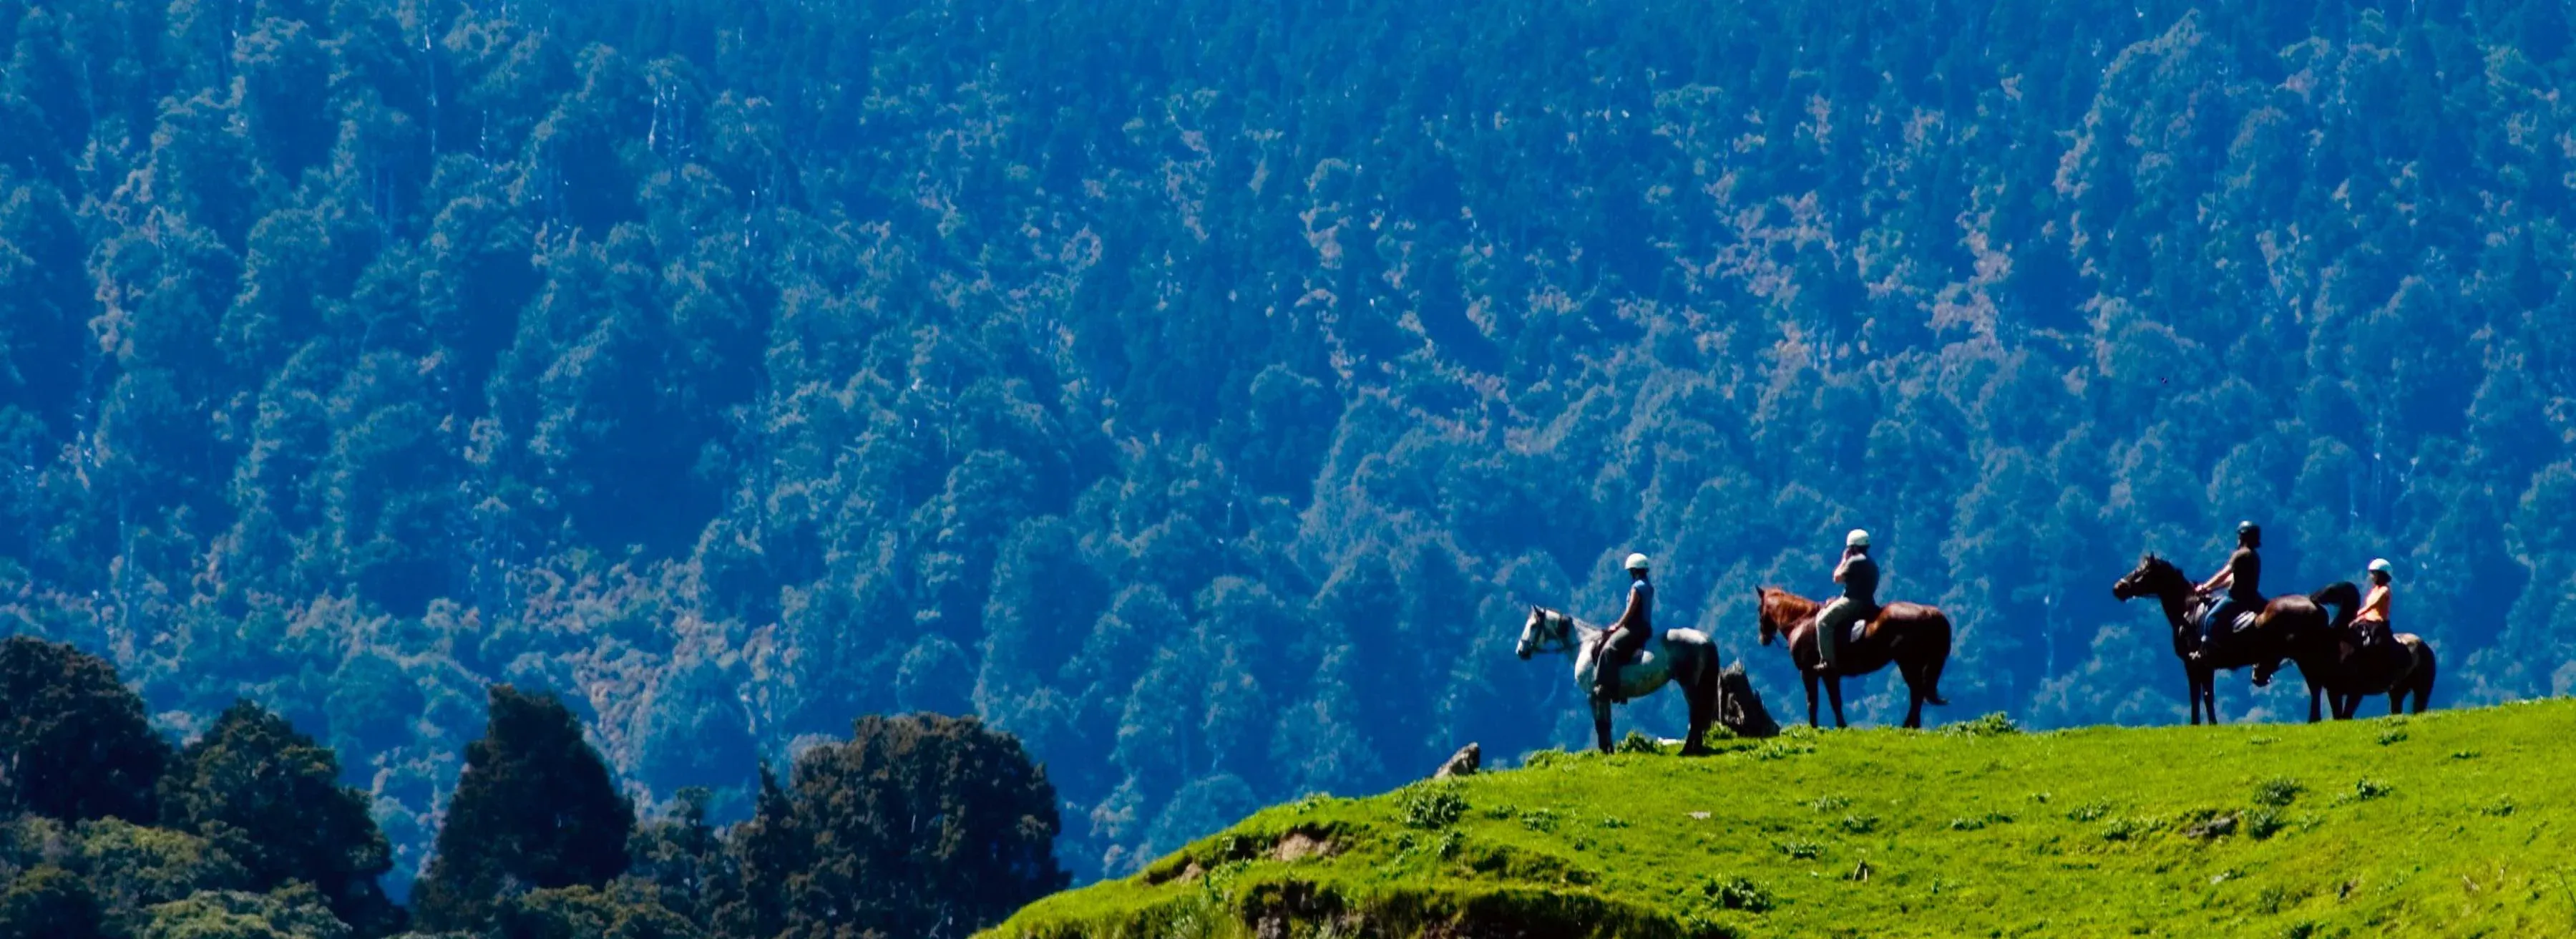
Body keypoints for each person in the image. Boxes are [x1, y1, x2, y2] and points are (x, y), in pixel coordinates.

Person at [2190, 521, 2263, 663]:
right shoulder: (2254, 556)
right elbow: (2232, 579)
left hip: (2237, 598)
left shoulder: (2240, 554)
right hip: (2254, 598)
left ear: (2243, 537)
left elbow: (2224, 574)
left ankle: (2205, 652)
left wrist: (2204, 587)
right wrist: (2212, 589)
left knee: (2211, 617)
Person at [1813, 530, 1878, 673]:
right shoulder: (1871, 562)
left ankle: (1827, 662)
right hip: (1868, 602)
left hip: (1853, 602)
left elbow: (1836, 578)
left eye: (1850, 548)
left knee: (1823, 622)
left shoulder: (1855, 561)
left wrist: (1844, 559)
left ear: (1854, 547)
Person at [1594, 553, 1654, 703]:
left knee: (1608, 649)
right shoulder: (1648, 586)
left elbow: (1631, 610)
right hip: (1645, 628)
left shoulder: (1636, 588)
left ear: (1634, 571)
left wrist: (1617, 626)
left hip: (1634, 629)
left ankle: (1606, 688)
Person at [2354, 558, 2394, 649]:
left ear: (2381, 575)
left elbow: (2370, 607)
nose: (2371, 577)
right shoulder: (2374, 590)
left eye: (2374, 574)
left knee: (2371, 647)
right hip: (2367, 621)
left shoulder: (2384, 591)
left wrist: (2354, 615)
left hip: (2378, 625)